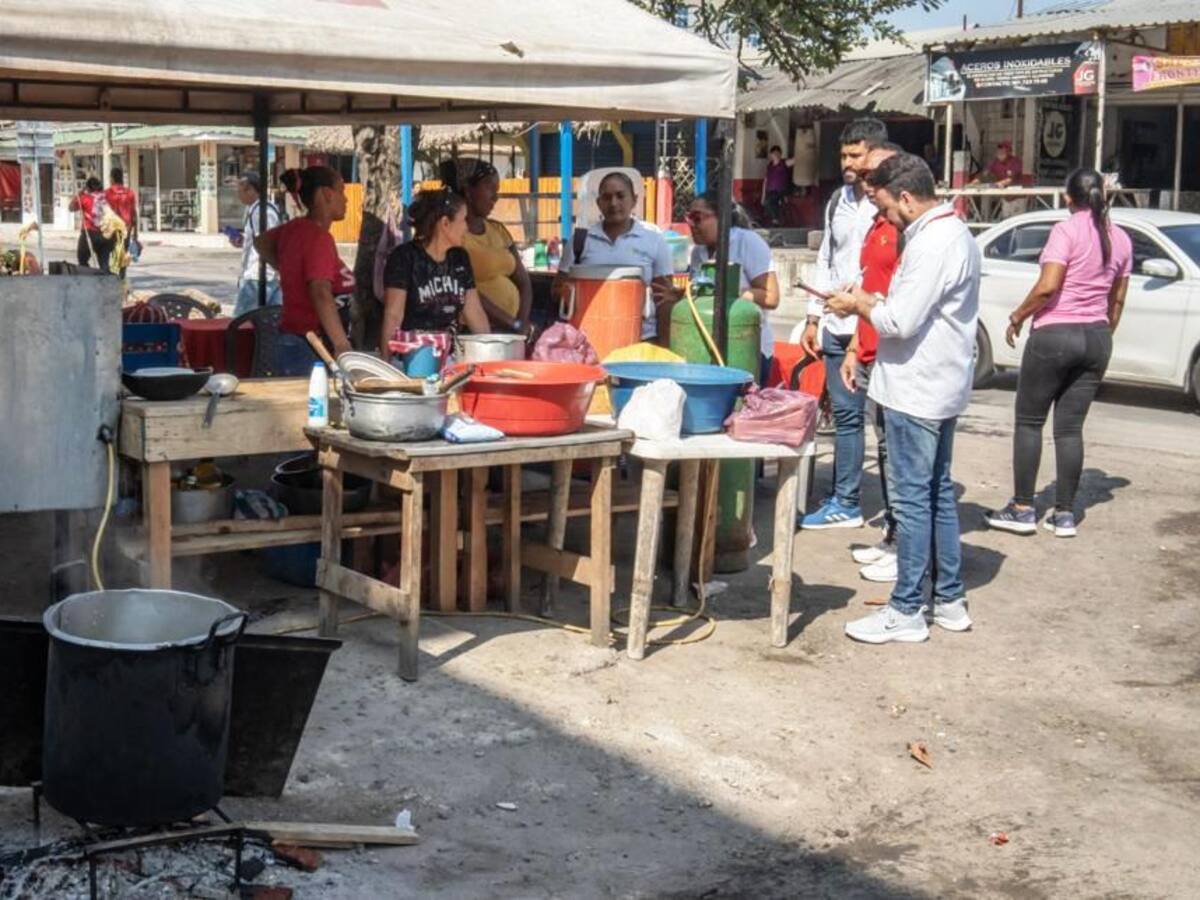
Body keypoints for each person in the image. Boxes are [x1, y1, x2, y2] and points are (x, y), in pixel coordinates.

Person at [825, 153, 980, 644]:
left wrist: (858, 304)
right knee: (935, 494)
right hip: (938, 383)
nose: (887, 219)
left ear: (908, 198)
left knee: (914, 500)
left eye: (889, 209)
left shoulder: (934, 241)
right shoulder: (953, 234)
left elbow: (898, 321)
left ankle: (907, 607)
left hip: (918, 388)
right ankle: (949, 598)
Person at [985, 168, 1131, 538]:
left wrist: (1018, 315)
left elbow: (1048, 287)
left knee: (1030, 421)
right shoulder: (1122, 238)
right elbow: (1117, 301)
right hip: (1097, 337)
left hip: (1055, 334)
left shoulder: (1065, 231)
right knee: (1069, 429)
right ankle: (1064, 514)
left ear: (1068, 198)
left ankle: (1022, 508)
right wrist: (1100, 334)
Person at [799, 117, 889, 530]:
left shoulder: (888, 202)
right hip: (835, 324)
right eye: (844, 155)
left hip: (873, 323)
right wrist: (813, 317)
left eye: (855, 154)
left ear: (875, 152)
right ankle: (846, 501)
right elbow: (826, 258)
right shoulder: (838, 200)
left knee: (887, 425)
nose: (848, 162)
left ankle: (894, 512)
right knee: (847, 417)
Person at [838, 142, 903, 582]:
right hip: (866, 346)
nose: (866, 181)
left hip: (893, 353)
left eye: (874, 174)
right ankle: (893, 537)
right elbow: (867, 284)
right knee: (883, 449)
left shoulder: (909, 231)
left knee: (899, 454)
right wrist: (851, 348)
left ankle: (904, 543)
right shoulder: (875, 223)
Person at [664, 190, 778, 376]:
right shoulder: (697, 253)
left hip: (746, 346)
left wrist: (727, 292)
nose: (692, 225)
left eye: (697, 218)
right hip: (707, 343)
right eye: (689, 218)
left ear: (722, 217)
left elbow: (771, 297)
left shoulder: (747, 242)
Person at [553, 171, 674, 342]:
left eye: (620, 196)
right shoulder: (580, 240)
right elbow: (557, 288)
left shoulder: (654, 240)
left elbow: (664, 298)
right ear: (598, 203)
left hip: (639, 340)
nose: (613, 203)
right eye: (607, 197)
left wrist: (663, 346)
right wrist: (565, 292)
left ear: (634, 200)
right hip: (588, 342)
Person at [256, 165, 355, 360]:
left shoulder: (295, 229)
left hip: (297, 340)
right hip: (313, 345)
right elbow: (320, 292)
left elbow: (261, 242)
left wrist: (289, 267)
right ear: (327, 194)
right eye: (341, 191)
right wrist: (342, 345)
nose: (346, 199)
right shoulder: (317, 237)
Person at [380, 188, 490, 354]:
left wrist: (490, 354)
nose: (467, 227)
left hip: (450, 355)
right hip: (412, 356)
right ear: (445, 224)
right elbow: (393, 316)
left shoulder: (460, 258)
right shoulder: (404, 258)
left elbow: (474, 312)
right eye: (464, 220)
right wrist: (386, 365)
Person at [460, 160, 534, 336]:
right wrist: (513, 324)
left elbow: (524, 283)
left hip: (512, 330)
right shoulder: (456, 235)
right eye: (489, 188)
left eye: (497, 189)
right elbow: (466, 292)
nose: (495, 196)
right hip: (477, 332)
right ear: (468, 191)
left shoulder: (498, 230)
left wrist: (521, 323)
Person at [230, 172, 282, 316]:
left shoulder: (262, 211)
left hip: (259, 276)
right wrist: (242, 241)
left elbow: (268, 241)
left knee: (242, 321)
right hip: (263, 275)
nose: (238, 196)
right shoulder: (254, 209)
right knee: (268, 322)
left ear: (251, 190)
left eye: (240, 191)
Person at [69, 177, 112, 272]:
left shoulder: (85, 198)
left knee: (82, 259)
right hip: (105, 234)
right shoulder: (106, 198)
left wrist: (80, 193)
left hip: (89, 233)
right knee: (104, 263)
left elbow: (71, 207)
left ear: (88, 188)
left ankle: (89, 279)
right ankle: (105, 283)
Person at [761, 145, 794, 226]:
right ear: (771, 155)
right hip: (770, 191)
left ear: (780, 154)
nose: (775, 155)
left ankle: (776, 220)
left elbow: (795, 160)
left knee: (769, 202)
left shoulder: (784, 163)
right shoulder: (769, 166)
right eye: (774, 153)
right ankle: (775, 219)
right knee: (766, 203)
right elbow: (766, 180)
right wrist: (763, 195)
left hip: (780, 191)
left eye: (777, 153)